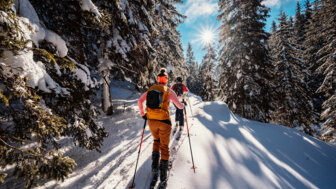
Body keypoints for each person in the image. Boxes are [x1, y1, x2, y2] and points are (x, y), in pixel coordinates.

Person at [138, 68, 185, 187]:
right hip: (164, 122)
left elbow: (139, 101)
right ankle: (163, 177)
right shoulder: (168, 91)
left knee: (156, 141)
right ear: (166, 80)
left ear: (158, 79)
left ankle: (154, 168)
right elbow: (179, 106)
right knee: (164, 147)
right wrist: (183, 105)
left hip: (151, 121)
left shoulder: (151, 89)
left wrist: (143, 114)